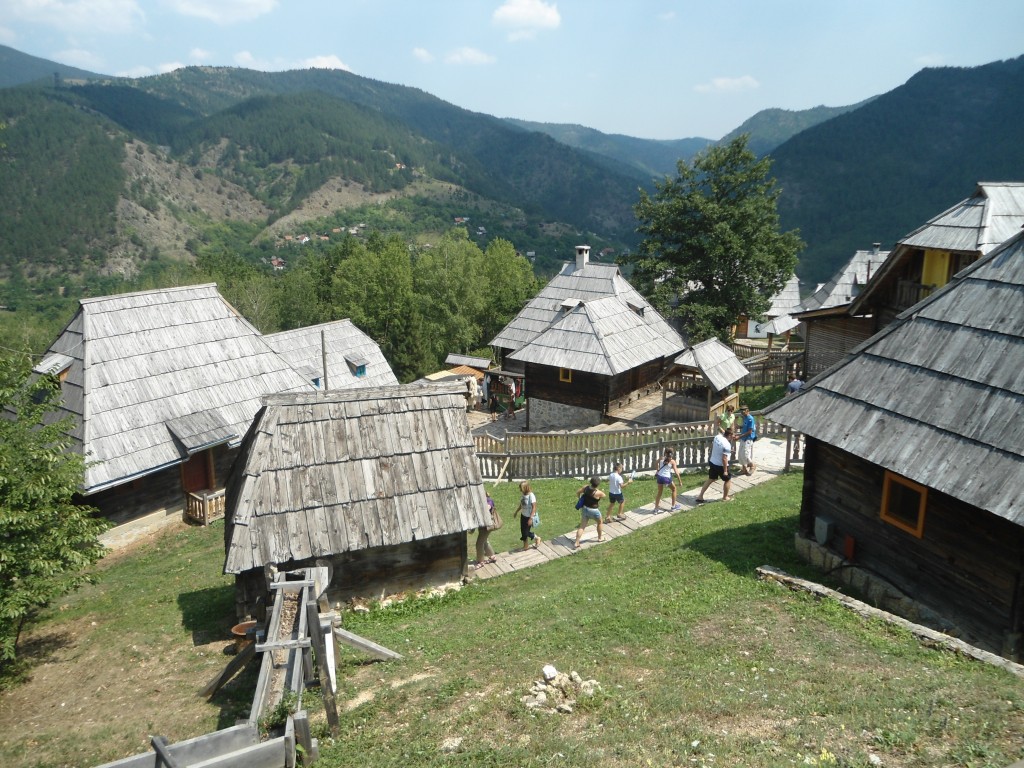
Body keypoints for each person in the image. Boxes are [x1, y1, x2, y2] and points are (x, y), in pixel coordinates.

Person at [696, 428, 733, 503]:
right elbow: (724, 458)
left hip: (712, 461)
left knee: (711, 479)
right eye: (733, 435)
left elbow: (716, 446)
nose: (734, 436)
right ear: (729, 435)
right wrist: (725, 471)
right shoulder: (727, 444)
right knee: (727, 480)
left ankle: (700, 496)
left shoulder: (717, 437)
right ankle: (725, 497)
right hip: (720, 465)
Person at [574, 476, 606, 549]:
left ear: (591, 482)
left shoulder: (585, 488)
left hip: (585, 509)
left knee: (582, 526)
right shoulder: (598, 492)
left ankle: (576, 542)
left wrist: (579, 499)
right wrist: (600, 490)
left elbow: (578, 492)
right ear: (598, 484)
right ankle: (600, 538)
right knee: (600, 522)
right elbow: (604, 495)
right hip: (594, 510)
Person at [514, 480, 542, 550]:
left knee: (525, 532)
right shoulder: (523, 495)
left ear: (525, 488)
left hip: (529, 516)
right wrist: (516, 512)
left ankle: (537, 538)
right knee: (523, 531)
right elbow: (522, 504)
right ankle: (525, 546)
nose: (520, 490)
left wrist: (530, 518)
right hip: (523, 515)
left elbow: (534, 508)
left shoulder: (531, 495)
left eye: (521, 488)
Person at [474, 492, 498, 568]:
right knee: (485, 541)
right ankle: (492, 556)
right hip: (483, 526)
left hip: (487, 526)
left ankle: (480, 561)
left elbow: (487, 507)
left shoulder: (488, 500)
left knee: (479, 543)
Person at [736, 405, 757, 475]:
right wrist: (740, 426)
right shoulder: (744, 418)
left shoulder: (750, 419)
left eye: (743, 411)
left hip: (748, 439)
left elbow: (750, 431)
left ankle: (752, 465)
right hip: (743, 438)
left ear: (747, 411)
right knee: (740, 454)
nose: (742, 412)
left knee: (745, 454)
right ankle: (744, 469)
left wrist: (739, 436)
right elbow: (745, 426)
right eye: (741, 411)